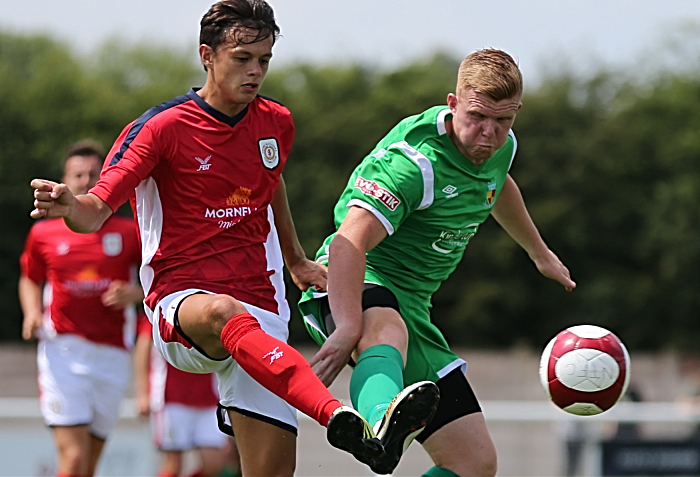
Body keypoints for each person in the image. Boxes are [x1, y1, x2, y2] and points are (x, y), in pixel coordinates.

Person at [29, 1, 385, 475]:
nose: (256, 71)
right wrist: (71, 207)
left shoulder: (276, 122)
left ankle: (306, 408)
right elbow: (96, 209)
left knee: (271, 472)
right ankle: (337, 415)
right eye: (242, 58)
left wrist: (297, 260)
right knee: (222, 311)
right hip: (182, 305)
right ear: (207, 55)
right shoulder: (160, 128)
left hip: (262, 306)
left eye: (264, 60)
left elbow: (270, 181)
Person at [299, 48, 577, 476]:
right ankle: (378, 424)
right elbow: (347, 243)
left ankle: (387, 424)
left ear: (517, 112)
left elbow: (497, 184)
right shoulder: (414, 166)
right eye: (477, 117)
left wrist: (540, 253)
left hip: (415, 304)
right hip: (359, 277)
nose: (488, 133)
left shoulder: (501, 146)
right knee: (386, 331)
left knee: (475, 464)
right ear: (453, 103)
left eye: (503, 121)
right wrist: (348, 327)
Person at [19, 140, 143, 477]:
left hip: (113, 355)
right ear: (64, 179)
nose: (85, 181)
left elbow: (160, 280)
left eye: (93, 174)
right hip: (63, 351)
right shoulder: (43, 232)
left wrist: (134, 292)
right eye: (78, 174)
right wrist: (32, 313)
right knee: (73, 459)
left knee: (87, 465)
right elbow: (30, 278)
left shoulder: (130, 231)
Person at [133, 315, 230, 477]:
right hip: (170, 397)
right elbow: (143, 348)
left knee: (214, 464)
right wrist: (142, 393)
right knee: (173, 463)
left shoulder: (212, 308)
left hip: (209, 398)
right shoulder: (159, 310)